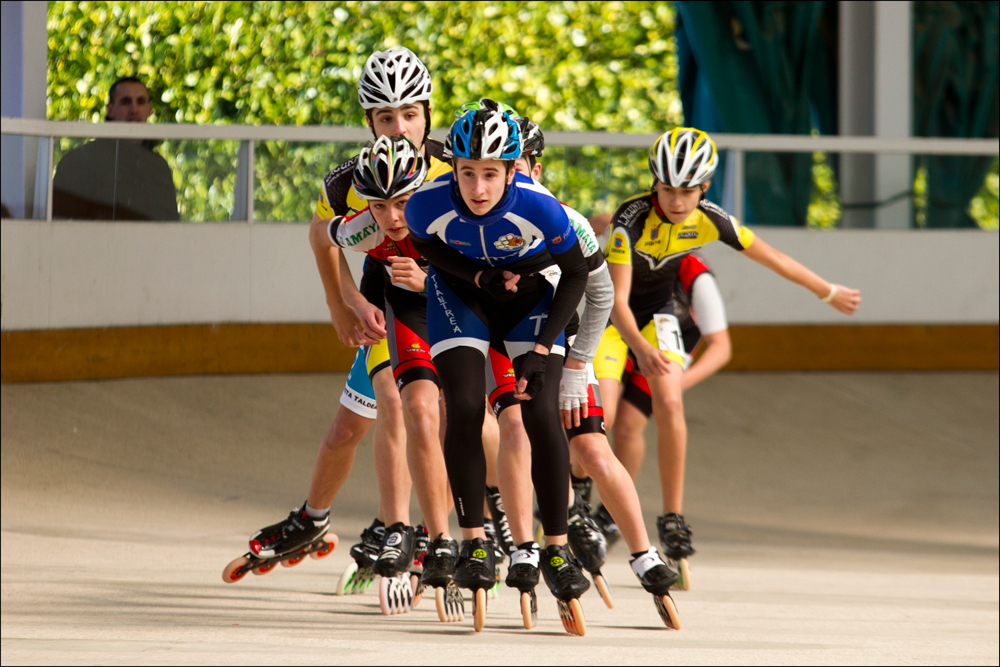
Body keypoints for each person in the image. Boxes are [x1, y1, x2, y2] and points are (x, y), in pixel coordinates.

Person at [229, 49, 451, 613]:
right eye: (384, 118)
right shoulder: (356, 177)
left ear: (428, 113)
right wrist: (342, 298)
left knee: (432, 416)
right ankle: (315, 519)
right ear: (368, 124)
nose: (399, 128)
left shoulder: (457, 167)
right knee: (349, 428)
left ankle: (435, 528)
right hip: (383, 293)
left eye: (409, 114)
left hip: (448, 296)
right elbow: (320, 233)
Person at [593, 127, 861, 579]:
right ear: (655, 184)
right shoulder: (630, 219)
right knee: (605, 416)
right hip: (612, 319)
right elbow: (616, 302)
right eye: (668, 191)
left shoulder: (711, 219)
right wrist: (638, 350)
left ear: (705, 188)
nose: (677, 202)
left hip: (658, 313)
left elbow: (772, 256)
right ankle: (582, 499)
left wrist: (826, 290)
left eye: (688, 192)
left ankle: (672, 519)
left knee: (671, 399)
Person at [405, 99, 593, 632]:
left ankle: (555, 547)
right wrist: (478, 276)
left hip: (529, 299)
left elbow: (576, 274)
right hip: (463, 294)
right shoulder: (427, 203)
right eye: (467, 173)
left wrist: (541, 351)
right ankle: (474, 542)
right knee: (463, 405)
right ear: (453, 169)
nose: (479, 188)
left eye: (491, 174)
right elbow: (423, 245)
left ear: (513, 170)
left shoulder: (541, 207)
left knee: (538, 414)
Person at [492, 113, 683, 627]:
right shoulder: (476, 208)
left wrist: (579, 365)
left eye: (517, 165)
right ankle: (524, 546)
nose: (509, 175)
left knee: (594, 448)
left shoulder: (561, 216)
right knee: (514, 427)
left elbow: (601, 295)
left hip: (564, 344)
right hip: (503, 342)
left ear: (533, 165)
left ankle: (644, 554)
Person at [314, 134, 457, 613]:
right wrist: (347, 302)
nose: (392, 218)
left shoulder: (448, 209)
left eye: (402, 203)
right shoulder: (365, 226)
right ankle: (400, 530)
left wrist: (432, 280)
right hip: (402, 312)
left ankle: (458, 531)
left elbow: (494, 275)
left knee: (469, 419)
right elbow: (320, 234)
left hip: (458, 308)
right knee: (407, 405)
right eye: (379, 206)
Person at [52, 76, 179, 221]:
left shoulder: (158, 167)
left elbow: (169, 224)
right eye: (126, 102)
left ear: (149, 110)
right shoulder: (80, 161)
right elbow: (60, 222)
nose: (134, 109)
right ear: (110, 110)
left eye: (141, 102)